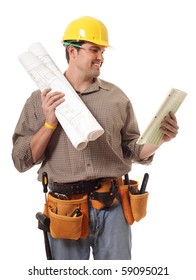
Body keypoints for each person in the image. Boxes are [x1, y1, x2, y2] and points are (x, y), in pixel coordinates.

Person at [12, 16, 179, 260]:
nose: (100, 57)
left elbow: (131, 150)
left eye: (102, 51)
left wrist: (160, 138)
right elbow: (21, 160)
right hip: (66, 209)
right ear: (72, 51)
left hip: (113, 205)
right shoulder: (40, 100)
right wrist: (50, 122)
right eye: (94, 49)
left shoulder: (116, 98)